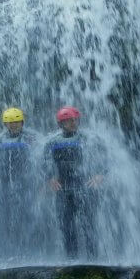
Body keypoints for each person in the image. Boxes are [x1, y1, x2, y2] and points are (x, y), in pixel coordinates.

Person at [44, 106, 105, 258]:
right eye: (68, 121)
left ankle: (94, 262)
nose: (72, 123)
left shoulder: (89, 138)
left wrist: (100, 174)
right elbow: (44, 162)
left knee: (89, 225)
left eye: (74, 120)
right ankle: (71, 261)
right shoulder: (53, 142)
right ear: (61, 123)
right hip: (63, 189)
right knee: (66, 226)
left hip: (86, 187)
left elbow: (104, 157)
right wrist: (50, 178)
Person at [0, 107, 39, 253]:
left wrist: (42, 183)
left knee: (28, 217)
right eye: (10, 122)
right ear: (5, 124)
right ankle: (8, 251)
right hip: (3, 185)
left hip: (27, 184)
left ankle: (29, 250)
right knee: (5, 218)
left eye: (16, 122)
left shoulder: (32, 138)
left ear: (22, 122)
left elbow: (42, 161)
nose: (13, 125)